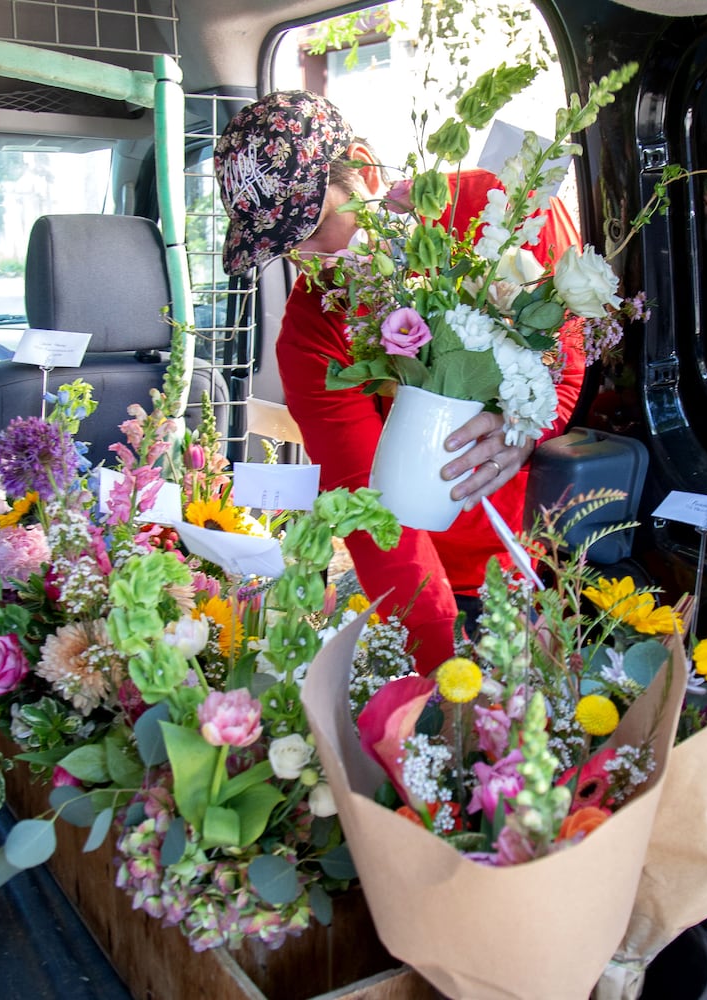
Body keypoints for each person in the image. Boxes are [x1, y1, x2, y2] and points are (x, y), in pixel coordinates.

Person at [214, 90, 586, 673]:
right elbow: (371, 510)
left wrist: (525, 428)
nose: (310, 260)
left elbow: (565, 353)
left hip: (555, 551)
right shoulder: (310, 335)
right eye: (285, 249)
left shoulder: (498, 207)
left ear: (361, 167)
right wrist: (442, 676)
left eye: (311, 226)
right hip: (438, 581)